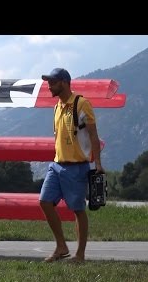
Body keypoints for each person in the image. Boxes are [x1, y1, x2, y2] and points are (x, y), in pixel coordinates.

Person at [39, 68, 104, 263]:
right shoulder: (57, 107)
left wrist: (98, 163)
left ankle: (80, 255)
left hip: (77, 167)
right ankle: (61, 246)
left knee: (77, 210)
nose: (49, 85)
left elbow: (93, 135)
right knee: (44, 201)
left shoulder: (82, 104)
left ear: (64, 82)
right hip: (57, 165)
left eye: (52, 82)